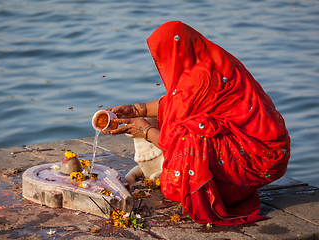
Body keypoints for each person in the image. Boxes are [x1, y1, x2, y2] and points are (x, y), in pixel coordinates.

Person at [106, 21, 290, 225]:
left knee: (189, 136)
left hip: (259, 157)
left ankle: (226, 190)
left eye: (164, 56)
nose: (163, 63)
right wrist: (135, 109)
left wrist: (144, 129)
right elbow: (177, 100)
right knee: (192, 124)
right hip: (264, 148)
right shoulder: (211, 62)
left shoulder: (200, 78)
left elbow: (171, 141)